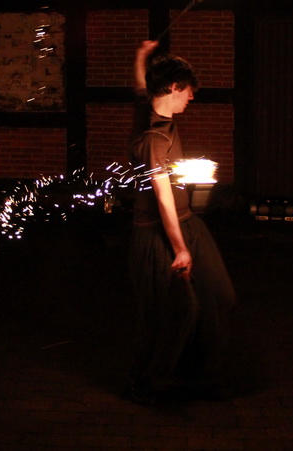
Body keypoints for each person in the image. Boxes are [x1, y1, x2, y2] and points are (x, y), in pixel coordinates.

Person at [127, 40, 236, 404]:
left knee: (219, 295)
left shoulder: (148, 109)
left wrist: (142, 55)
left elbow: (140, 86)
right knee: (176, 311)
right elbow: (161, 198)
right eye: (188, 90)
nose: (191, 97)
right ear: (174, 87)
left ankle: (199, 371)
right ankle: (149, 380)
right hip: (161, 234)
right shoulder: (154, 138)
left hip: (187, 223)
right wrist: (180, 249)